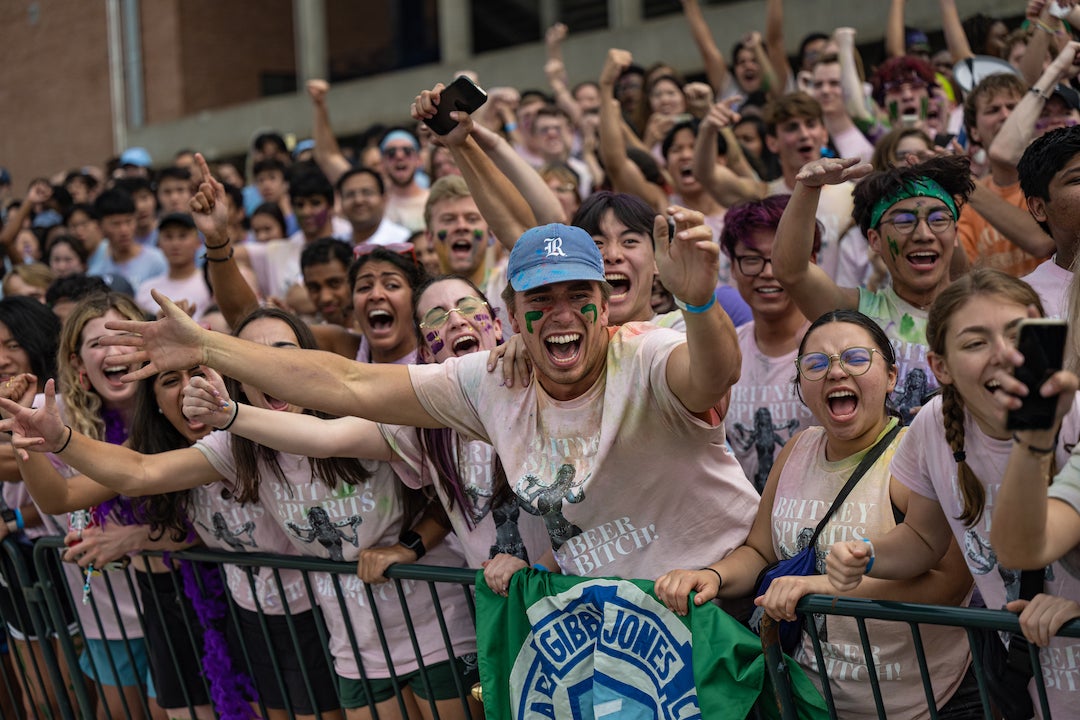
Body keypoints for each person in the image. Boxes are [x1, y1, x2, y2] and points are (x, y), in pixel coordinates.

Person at [92, 207, 761, 585]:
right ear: (514, 313)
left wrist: (700, 302)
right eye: (541, 299)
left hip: (724, 608)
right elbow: (346, 384)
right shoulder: (489, 383)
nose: (561, 315)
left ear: (602, 305)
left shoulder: (641, 353)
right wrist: (208, 348)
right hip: (625, 631)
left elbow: (711, 377)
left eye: (578, 297)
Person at [3, 307, 480, 720]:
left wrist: (409, 545)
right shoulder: (238, 444)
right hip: (355, 646)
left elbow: (448, 490)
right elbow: (140, 473)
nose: (277, 369)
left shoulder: (361, 422)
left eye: (285, 353)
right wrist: (58, 441)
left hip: (436, 628)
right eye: (260, 359)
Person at [655, 310, 975, 719]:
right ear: (801, 386)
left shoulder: (914, 456)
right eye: (816, 364)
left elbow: (950, 583)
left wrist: (821, 589)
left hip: (923, 704)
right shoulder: (797, 449)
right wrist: (711, 576)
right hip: (809, 703)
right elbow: (759, 551)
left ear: (891, 376)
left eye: (856, 358)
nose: (836, 372)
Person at [825, 269, 1080, 719]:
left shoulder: (1075, 412)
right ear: (940, 366)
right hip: (1036, 682)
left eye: (1020, 334)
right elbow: (925, 541)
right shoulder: (932, 425)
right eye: (976, 342)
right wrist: (866, 555)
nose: (1004, 354)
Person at [773, 154, 974, 421]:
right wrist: (808, 188)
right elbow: (792, 272)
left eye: (938, 220)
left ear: (956, 234)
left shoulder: (982, 311)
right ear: (875, 239)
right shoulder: (859, 315)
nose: (924, 234)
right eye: (904, 222)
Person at [720, 196, 816, 492]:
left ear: (809, 262)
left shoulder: (833, 352)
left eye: (780, 257)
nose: (767, 271)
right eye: (751, 259)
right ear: (733, 269)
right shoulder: (725, 354)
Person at [134, 213, 212, 321]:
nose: (175, 244)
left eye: (183, 236)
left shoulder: (210, 285)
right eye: (168, 237)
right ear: (159, 244)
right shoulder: (147, 290)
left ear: (198, 242)